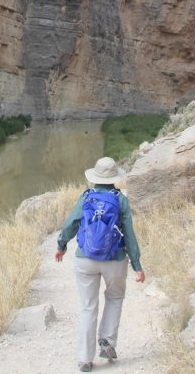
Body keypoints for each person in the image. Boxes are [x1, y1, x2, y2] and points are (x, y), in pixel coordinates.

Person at [55, 156, 145, 372]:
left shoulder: (86, 196)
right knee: (114, 298)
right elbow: (129, 234)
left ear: (95, 177)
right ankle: (107, 342)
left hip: (85, 259)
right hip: (114, 259)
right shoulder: (120, 200)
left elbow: (72, 223)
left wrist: (61, 245)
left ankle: (85, 359)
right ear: (114, 178)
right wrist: (137, 265)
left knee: (88, 307)